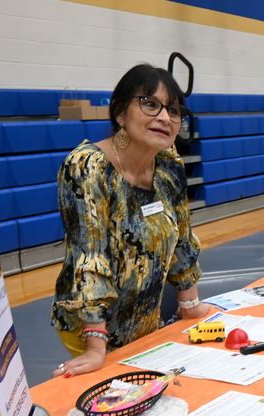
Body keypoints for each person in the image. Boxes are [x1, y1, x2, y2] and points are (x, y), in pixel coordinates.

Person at [52, 64, 211, 378]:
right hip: (91, 328)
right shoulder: (88, 168)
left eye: (174, 110)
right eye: (150, 104)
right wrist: (96, 346)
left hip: (144, 323)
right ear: (120, 113)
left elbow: (180, 238)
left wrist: (190, 304)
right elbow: (90, 256)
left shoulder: (168, 165)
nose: (165, 117)